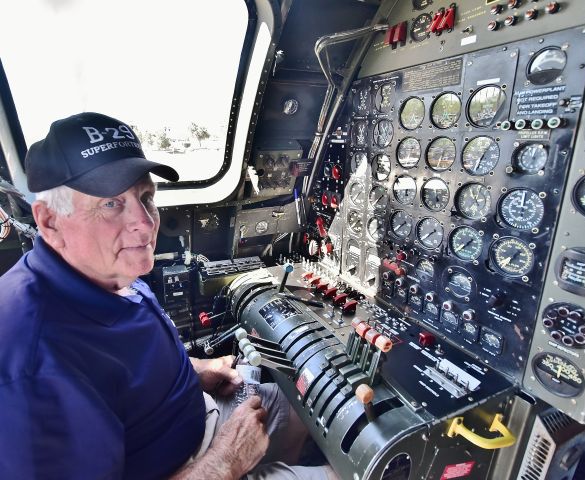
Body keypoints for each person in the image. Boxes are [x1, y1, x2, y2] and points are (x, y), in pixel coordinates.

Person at [0, 112, 335, 480]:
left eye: (146, 197)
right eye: (111, 203)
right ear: (49, 222)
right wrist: (226, 462)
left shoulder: (106, 269)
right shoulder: (31, 363)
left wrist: (195, 371)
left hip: (199, 414)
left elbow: (127, 366)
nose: (145, 223)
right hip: (192, 467)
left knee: (309, 400)